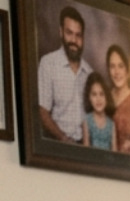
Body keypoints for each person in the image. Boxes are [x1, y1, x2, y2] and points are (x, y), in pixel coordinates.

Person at [37, 5, 91, 144]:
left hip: (85, 148)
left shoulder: (89, 73)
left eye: (78, 35)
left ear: (83, 38)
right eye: (69, 33)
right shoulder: (48, 63)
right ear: (61, 32)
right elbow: (42, 111)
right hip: (57, 144)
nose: (74, 40)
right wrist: (63, 139)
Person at [80, 71, 114, 150]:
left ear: (106, 97)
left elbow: (114, 150)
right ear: (89, 98)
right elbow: (86, 149)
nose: (98, 99)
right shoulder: (87, 121)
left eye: (101, 94)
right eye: (94, 94)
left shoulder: (111, 124)